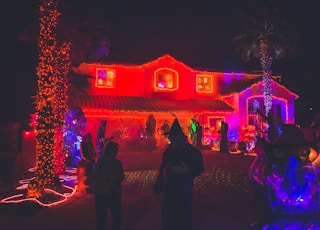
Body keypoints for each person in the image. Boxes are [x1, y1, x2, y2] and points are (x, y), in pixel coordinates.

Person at [153, 118, 204, 230]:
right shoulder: (169, 151)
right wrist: (158, 187)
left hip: (183, 190)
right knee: (168, 217)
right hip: (169, 190)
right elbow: (163, 170)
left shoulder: (191, 152)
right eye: (171, 139)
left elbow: (199, 168)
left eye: (174, 139)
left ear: (181, 139)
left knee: (182, 217)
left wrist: (188, 170)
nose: (172, 141)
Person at [94, 141, 125, 230]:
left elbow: (121, 177)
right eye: (115, 151)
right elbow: (96, 177)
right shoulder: (103, 163)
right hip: (104, 193)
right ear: (111, 151)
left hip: (110, 193)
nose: (116, 153)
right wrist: (109, 179)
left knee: (113, 219)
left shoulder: (116, 163)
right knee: (103, 219)